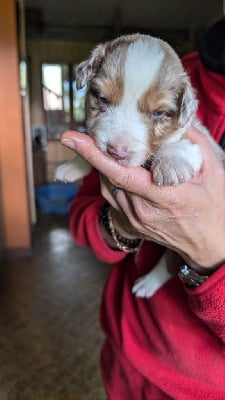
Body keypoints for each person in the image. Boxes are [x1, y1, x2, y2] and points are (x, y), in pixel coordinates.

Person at [62, 12, 225, 400]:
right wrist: (121, 226)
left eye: (155, 113)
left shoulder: (177, 94)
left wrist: (209, 249)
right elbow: (83, 219)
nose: (120, 141)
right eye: (103, 99)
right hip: (123, 350)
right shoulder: (172, 68)